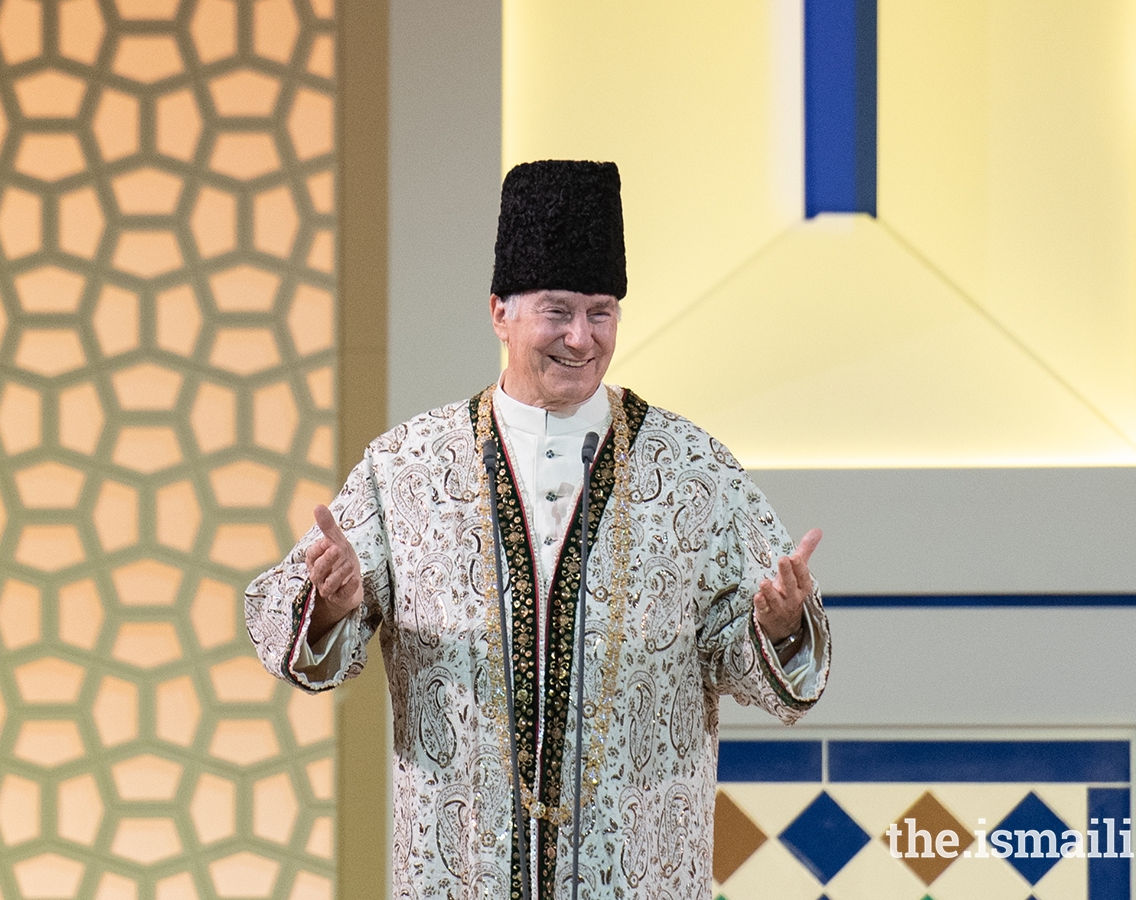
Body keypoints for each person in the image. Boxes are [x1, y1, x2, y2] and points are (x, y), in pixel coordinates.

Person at [245, 159, 830, 900]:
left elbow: (761, 666)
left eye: (601, 311)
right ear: (500, 311)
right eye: (557, 311)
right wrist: (329, 604)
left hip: (643, 875)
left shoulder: (693, 468)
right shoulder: (408, 467)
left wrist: (777, 627)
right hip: (456, 876)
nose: (581, 338)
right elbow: (290, 634)